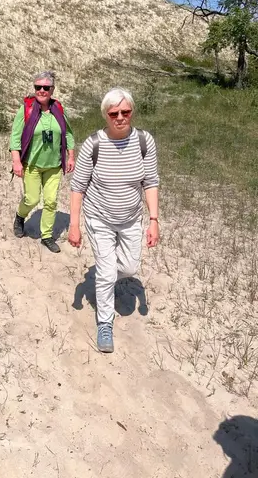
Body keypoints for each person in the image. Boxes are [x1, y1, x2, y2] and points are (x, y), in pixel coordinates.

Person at [68, 87, 160, 354]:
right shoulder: (93, 144)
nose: (120, 117)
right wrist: (74, 225)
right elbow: (78, 187)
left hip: (131, 218)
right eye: (114, 113)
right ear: (105, 115)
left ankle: (103, 277)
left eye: (125, 112)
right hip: (100, 218)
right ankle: (104, 323)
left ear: (132, 111)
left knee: (130, 268)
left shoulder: (144, 141)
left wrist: (153, 219)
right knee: (108, 272)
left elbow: (150, 182)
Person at [10, 71, 75, 254]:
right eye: (38, 87)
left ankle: (46, 236)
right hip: (32, 165)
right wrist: (16, 161)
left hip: (54, 166)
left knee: (51, 201)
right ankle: (20, 216)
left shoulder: (59, 109)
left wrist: (70, 156)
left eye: (46, 87)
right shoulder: (27, 109)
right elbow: (15, 137)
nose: (42, 90)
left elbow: (68, 133)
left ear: (52, 89)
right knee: (31, 199)